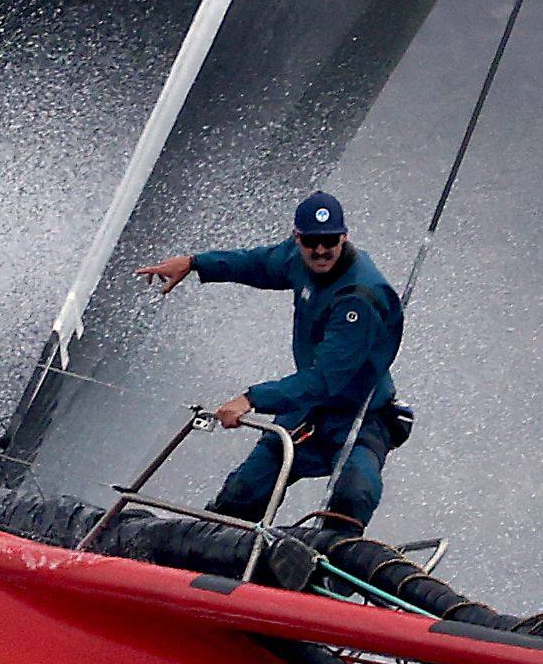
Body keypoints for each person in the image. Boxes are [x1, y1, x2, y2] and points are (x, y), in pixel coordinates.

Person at [136, 191, 408, 530]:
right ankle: (214, 545)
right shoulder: (297, 259)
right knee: (243, 490)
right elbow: (257, 264)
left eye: (329, 241)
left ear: (344, 236)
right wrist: (195, 263)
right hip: (307, 410)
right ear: (297, 238)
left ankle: (328, 564)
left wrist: (251, 399)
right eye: (311, 241)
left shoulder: (358, 299)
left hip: (359, 415)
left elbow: (323, 380)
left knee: (355, 491)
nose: (320, 250)